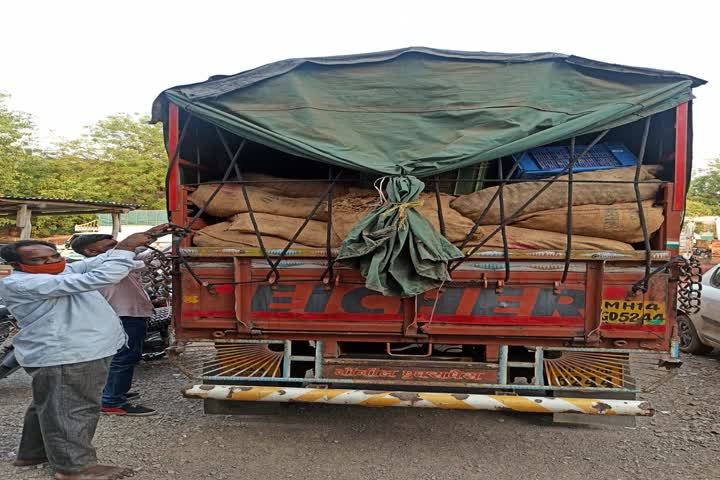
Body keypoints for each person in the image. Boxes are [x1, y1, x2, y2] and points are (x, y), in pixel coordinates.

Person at [0, 225, 171, 480]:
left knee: (49, 404)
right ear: (17, 264)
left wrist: (131, 244)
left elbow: (93, 264)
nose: (51, 262)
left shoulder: (60, 270)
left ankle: (32, 453)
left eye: (54, 256)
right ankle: (75, 468)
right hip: (68, 354)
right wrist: (124, 248)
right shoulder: (24, 283)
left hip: (73, 351)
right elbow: (96, 277)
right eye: (38, 259)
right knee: (73, 409)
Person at [70, 234, 164, 416]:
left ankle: (113, 391)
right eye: (111, 245)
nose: (120, 248)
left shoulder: (115, 261)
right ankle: (112, 401)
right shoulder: (106, 265)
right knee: (125, 358)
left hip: (128, 315)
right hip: (124, 316)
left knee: (117, 358)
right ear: (90, 251)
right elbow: (141, 261)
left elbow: (144, 258)